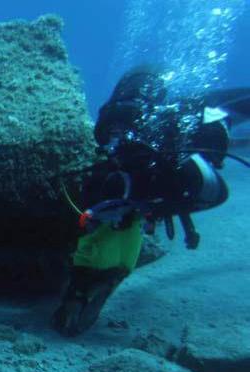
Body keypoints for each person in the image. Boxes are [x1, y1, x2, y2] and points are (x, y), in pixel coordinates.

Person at [52, 66, 250, 336]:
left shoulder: (140, 138)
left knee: (113, 213)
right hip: (163, 183)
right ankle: (92, 280)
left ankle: (85, 284)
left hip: (145, 186)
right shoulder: (180, 121)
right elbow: (212, 193)